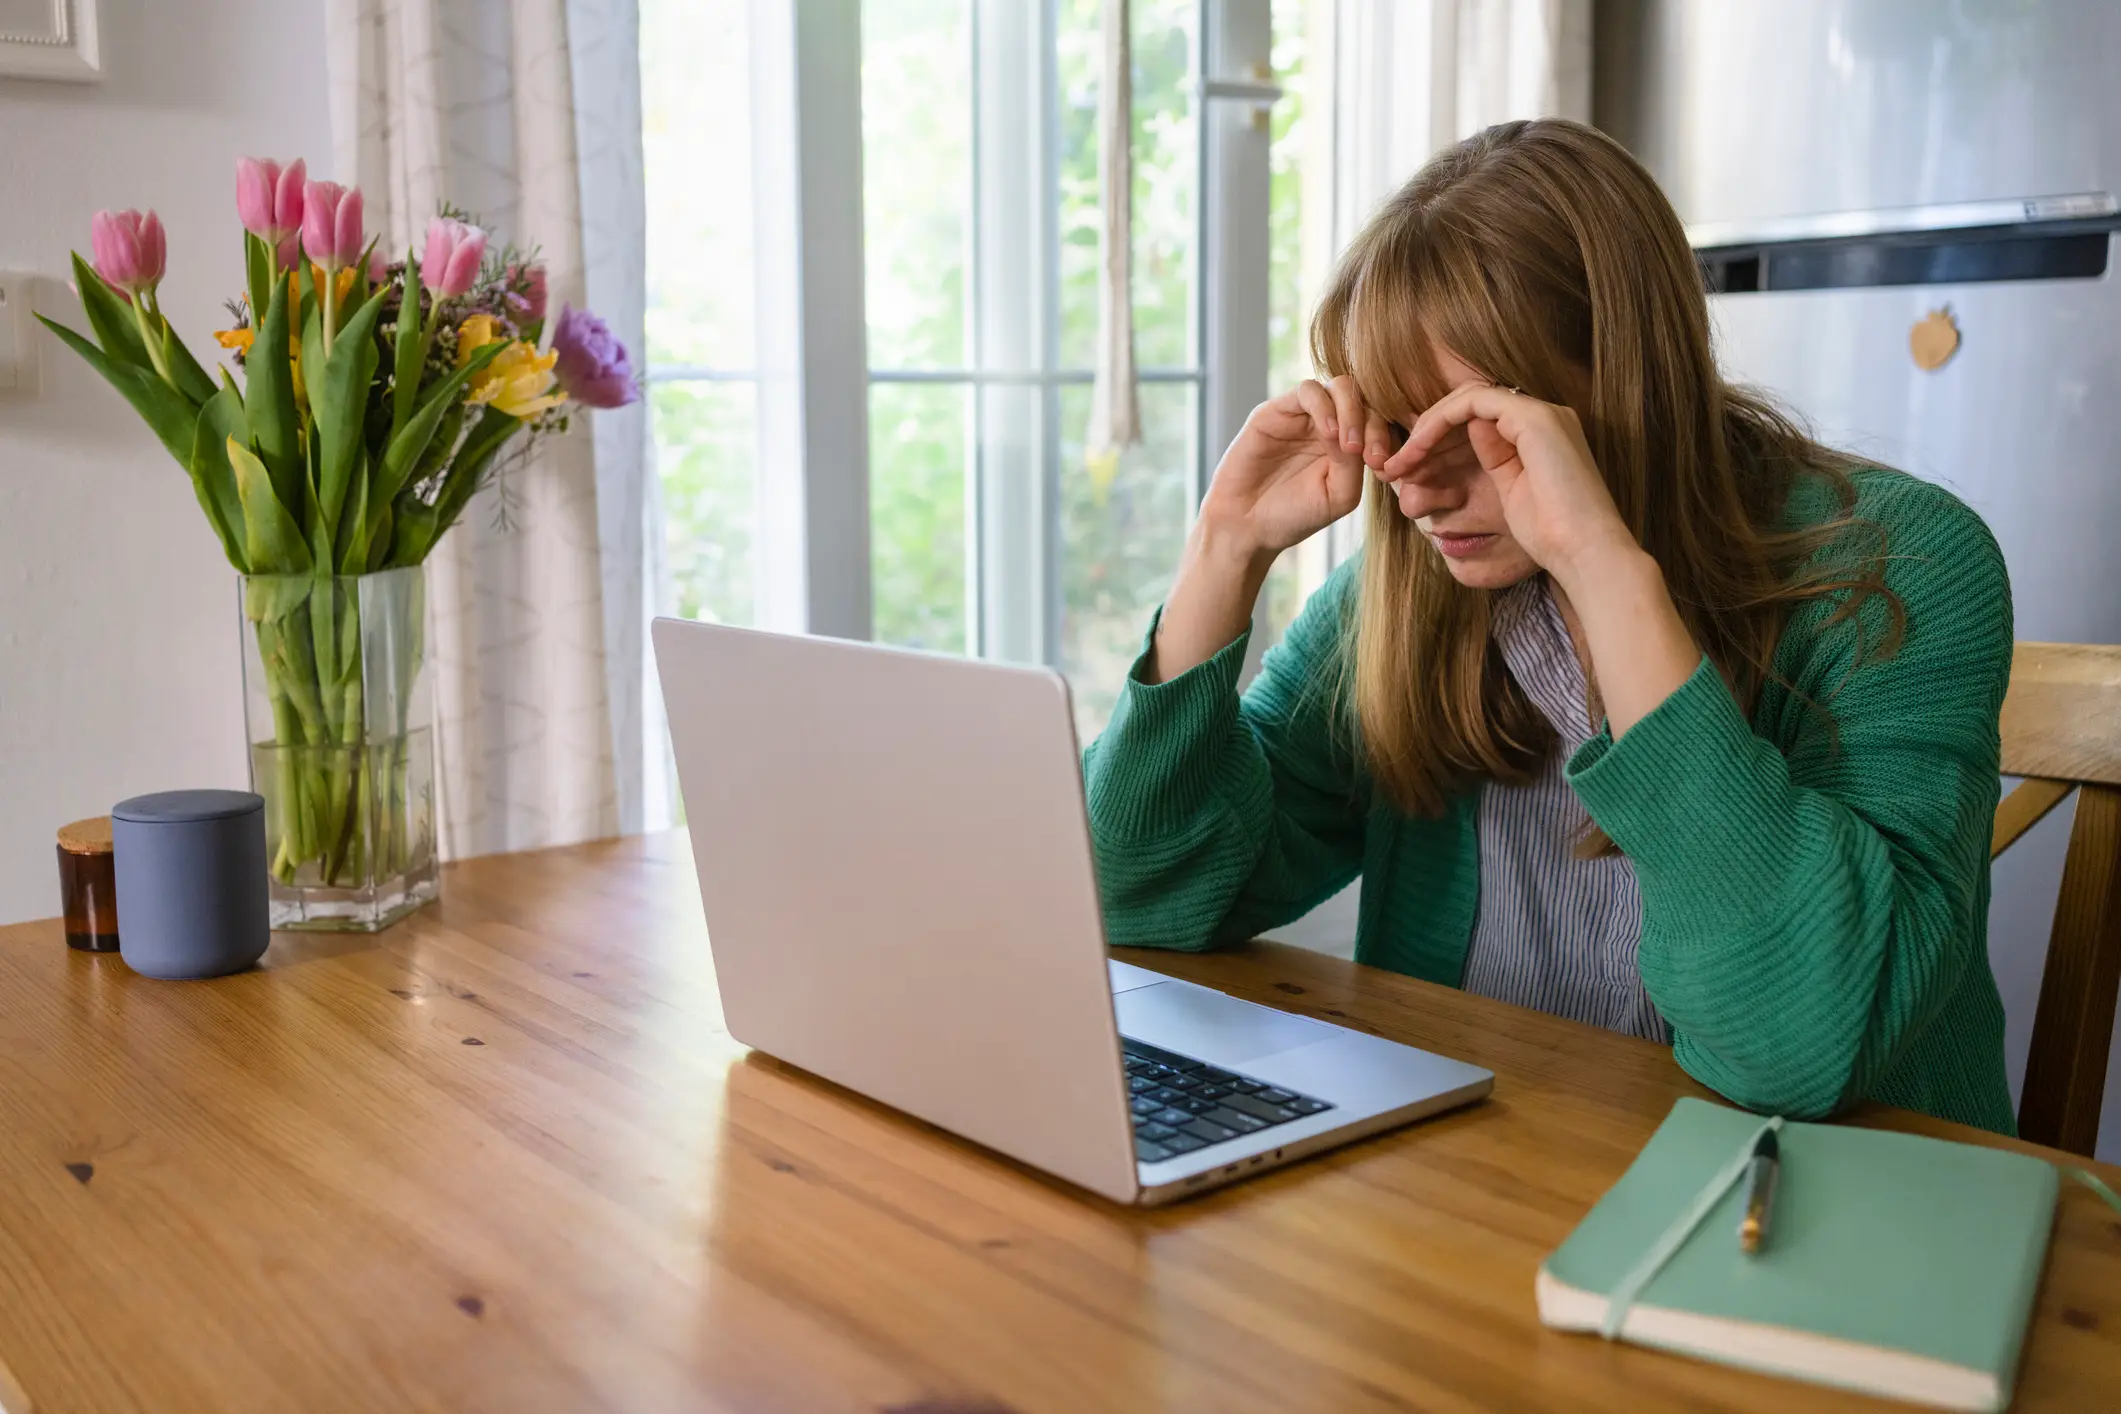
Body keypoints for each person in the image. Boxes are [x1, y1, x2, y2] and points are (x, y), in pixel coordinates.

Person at [1081, 118, 2016, 1133]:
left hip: (1818, 1211)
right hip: (1490, 1170)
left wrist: (1604, 571)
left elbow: (1802, 1040)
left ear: (1620, 382)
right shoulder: (1408, 593)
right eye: (1396, 430)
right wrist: (1225, 549)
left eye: (1467, 426)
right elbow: (1139, 893)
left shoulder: (1906, 568)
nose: (1417, 492)